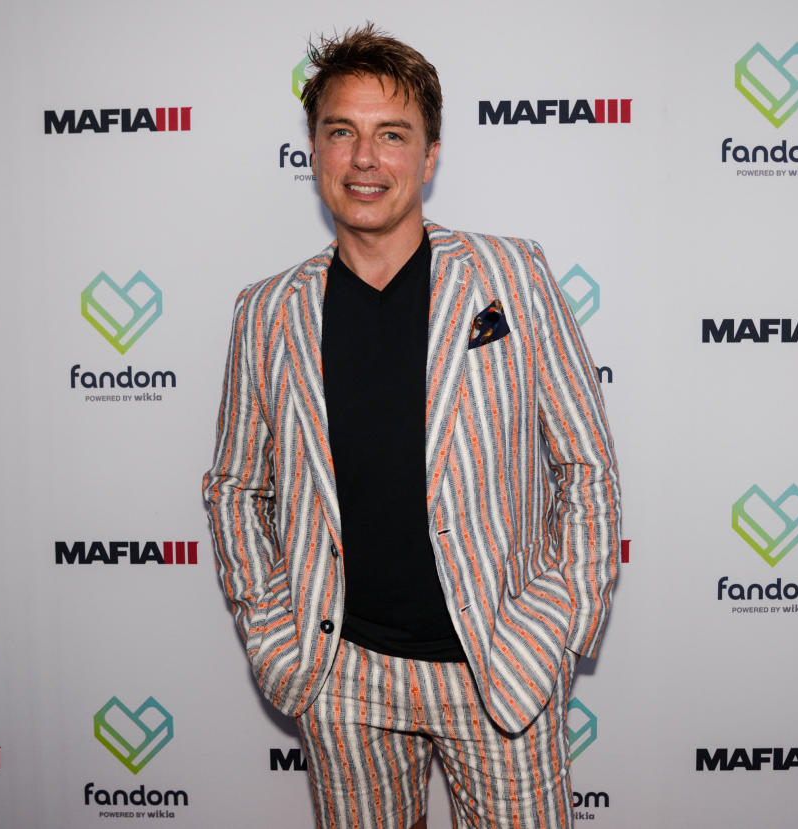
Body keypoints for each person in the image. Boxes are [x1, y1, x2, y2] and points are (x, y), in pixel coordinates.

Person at [202, 23, 620, 829]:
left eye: (392, 135)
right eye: (342, 133)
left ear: (429, 157)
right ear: (315, 153)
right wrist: (271, 627)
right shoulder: (266, 311)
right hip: (341, 673)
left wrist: (556, 623)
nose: (366, 159)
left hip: (500, 665)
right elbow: (233, 485)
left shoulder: (514, 276)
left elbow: (588, 465)